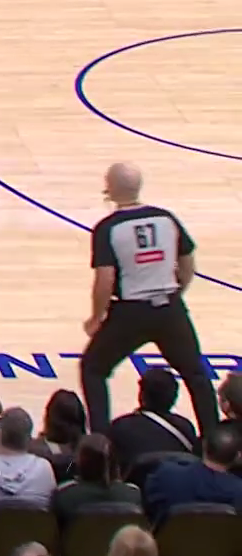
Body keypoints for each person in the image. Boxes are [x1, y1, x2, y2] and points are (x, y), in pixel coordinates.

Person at [81, 162, 221, 437]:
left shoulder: (108, 228)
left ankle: (100, 443)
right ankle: (215, 441)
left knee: (93, 369)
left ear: (109, 189)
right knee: (196, 374)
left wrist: (96, 317)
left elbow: (105, 279)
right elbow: (187, 262)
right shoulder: (166, 218)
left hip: (131, 311)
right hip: (168, 308)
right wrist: (177, 293)